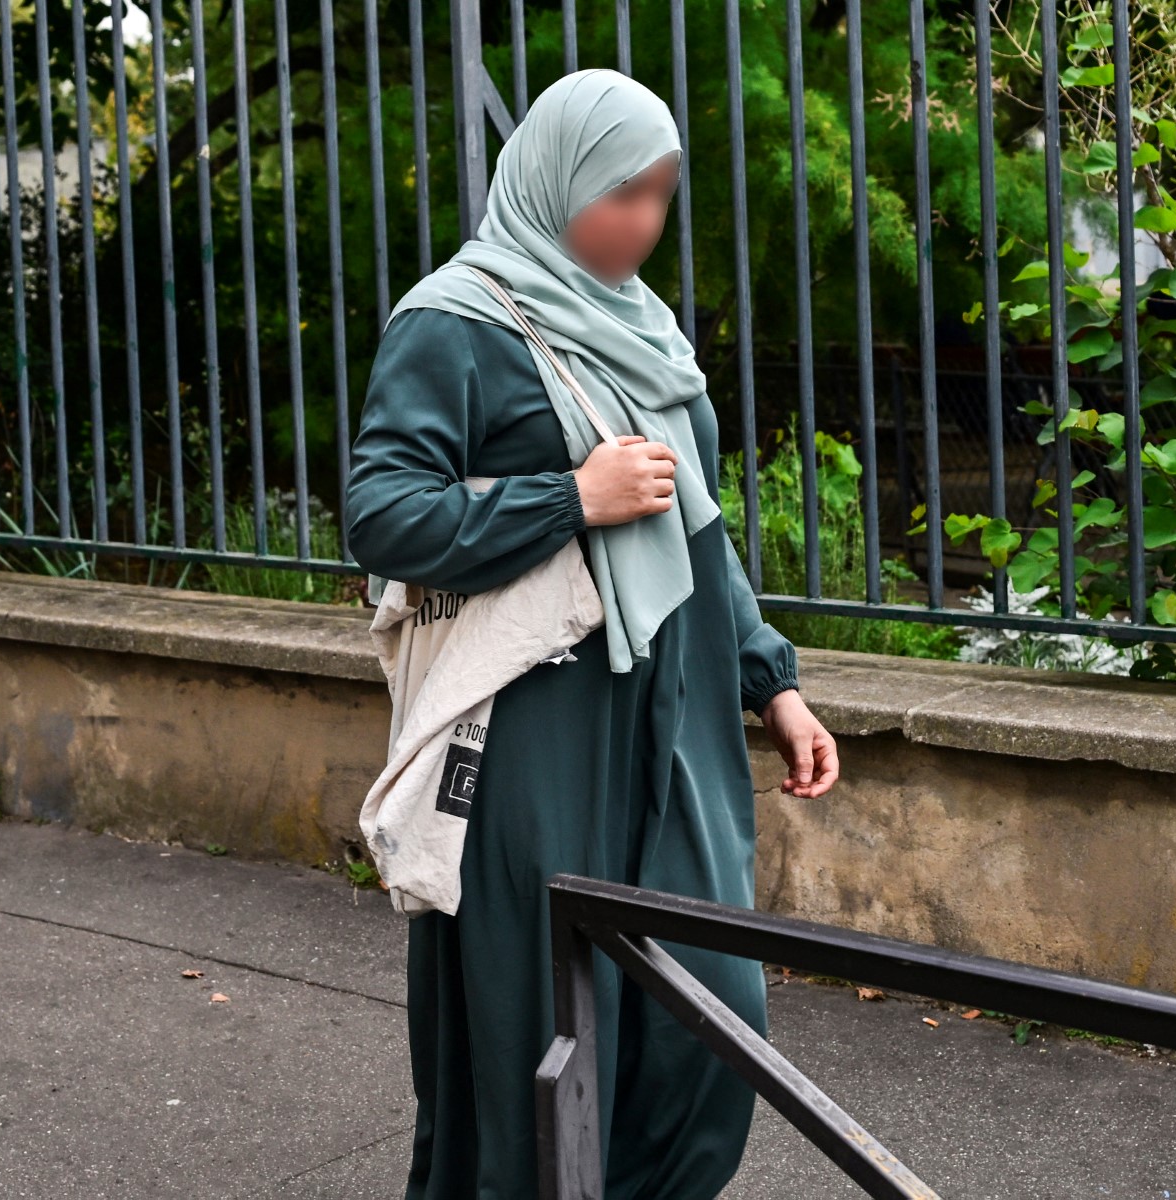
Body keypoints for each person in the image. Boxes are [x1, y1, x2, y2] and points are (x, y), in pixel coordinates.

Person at [344, 66, 840, 1199]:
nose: (641, 222)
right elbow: (383, 514)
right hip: (539, 724)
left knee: (714, 1005)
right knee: (538, 1013)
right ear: (553, 177)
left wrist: (773, 684)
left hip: (675, 719)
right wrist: (571, 496)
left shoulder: (645, 329)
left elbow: (699, 530)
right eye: (618, 192)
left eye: (659, 194)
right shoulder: (453, 321)